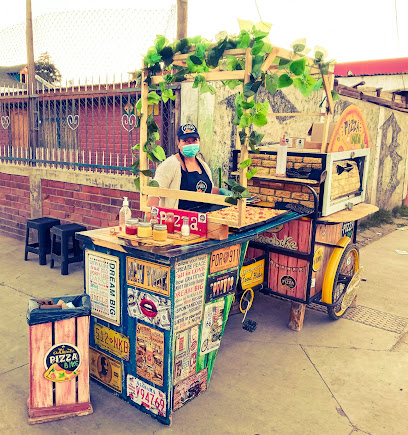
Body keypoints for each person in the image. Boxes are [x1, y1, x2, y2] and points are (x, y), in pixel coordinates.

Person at [146, 123, 223, 211]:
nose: (190, 144)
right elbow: (155, 193)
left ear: (199, 141)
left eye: (194, 140)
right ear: (178, 143)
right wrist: (150, 215)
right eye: (186, 141)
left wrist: (221, 192)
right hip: (179, 218)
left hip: (204, 216)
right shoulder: (171, 164)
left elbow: (208, 190)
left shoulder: (204, 165)